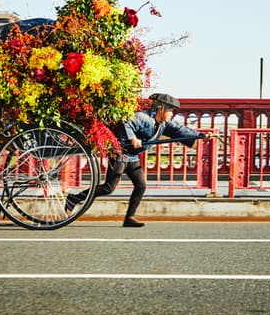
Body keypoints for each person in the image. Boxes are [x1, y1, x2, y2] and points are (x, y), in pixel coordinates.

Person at [67, 93, 210, 227]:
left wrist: (201, 136)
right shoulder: (143, 117)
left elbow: (180, 130)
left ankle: (129, 217)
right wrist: (132, 138)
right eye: (170, 111)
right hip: (119, 153)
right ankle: (74, 198)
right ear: (161, 108)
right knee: (108, 188)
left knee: (141, 184)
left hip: (132, 156)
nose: (172, 114)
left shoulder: (164, 124)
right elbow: (125, 122)